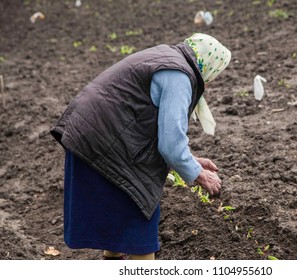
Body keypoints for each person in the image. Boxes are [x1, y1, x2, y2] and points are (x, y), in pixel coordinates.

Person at [50, 33, 231, 260]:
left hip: (91, 135)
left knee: (115, 223)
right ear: (210, 66)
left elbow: (160, 132)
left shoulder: (168, 56)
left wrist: (191, 160)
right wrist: (198, 175)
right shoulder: (180, 78)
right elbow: (170, 146)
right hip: (105, 143)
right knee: (140, 226)